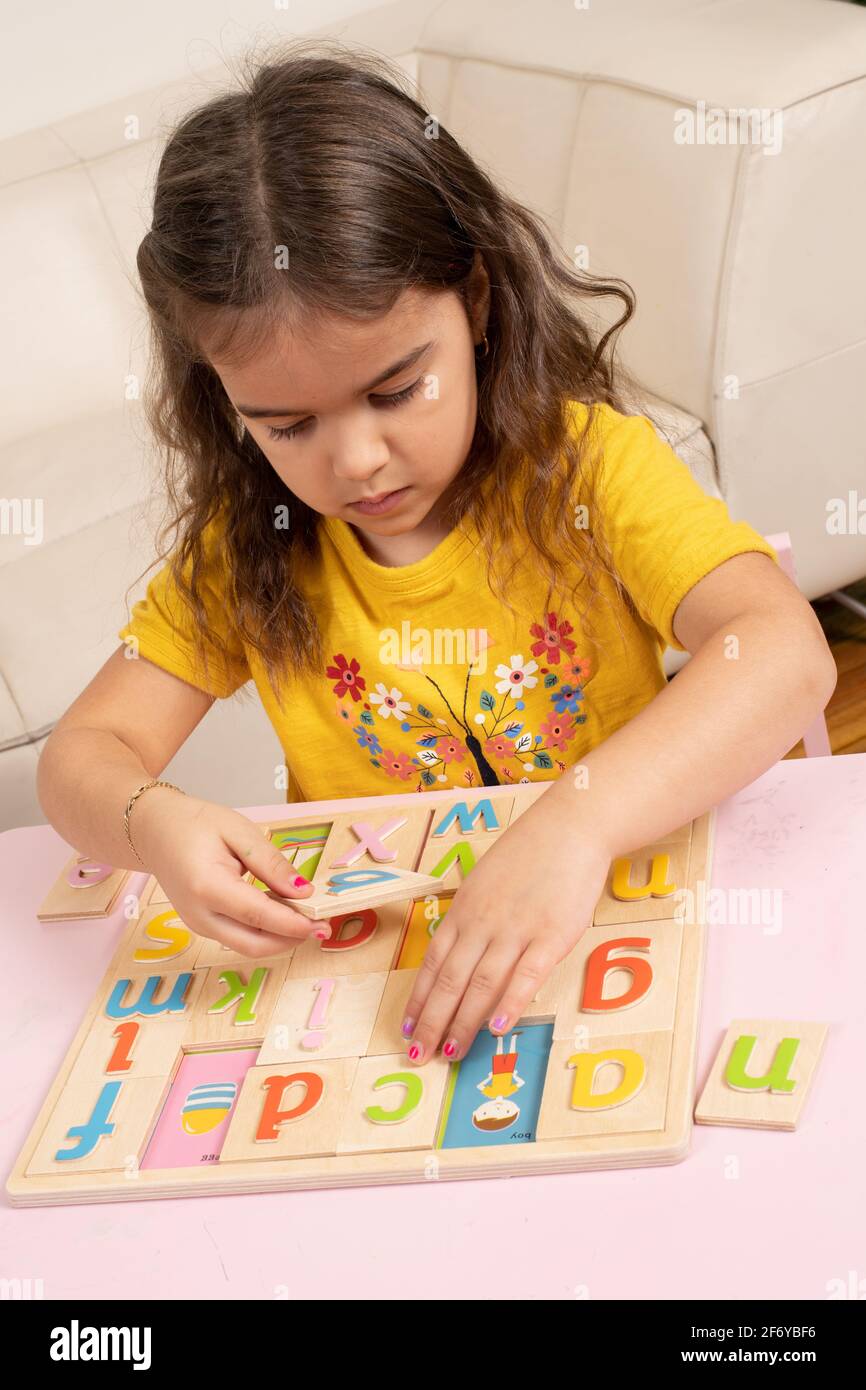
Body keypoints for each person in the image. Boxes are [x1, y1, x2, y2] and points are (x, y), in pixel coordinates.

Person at [37, 42, 837, 1067]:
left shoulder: (585, 471)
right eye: (285, 425)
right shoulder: (250, 551)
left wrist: (571, 826)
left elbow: (780, 650)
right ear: (222, 402)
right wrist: (151, 824)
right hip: (386, 992)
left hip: (615, 909)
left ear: (476, 302)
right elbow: (83, 757)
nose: (356, 460)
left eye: (394, 390)